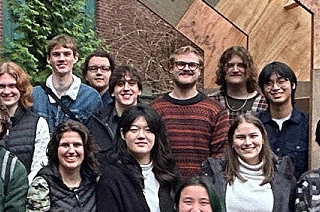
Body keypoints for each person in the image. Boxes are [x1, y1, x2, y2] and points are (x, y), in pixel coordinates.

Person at [26, 119, 102, 212]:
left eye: (77, 145)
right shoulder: (42, 184)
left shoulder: (95, 180)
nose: (71, 151)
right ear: (56, 149)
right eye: (65, 145)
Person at [152, 44, 228, 177]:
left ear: (199, 71)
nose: (186, 69)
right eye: (180, 64)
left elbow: (220, 156)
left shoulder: (216, 110)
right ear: (171, 68)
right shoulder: (154, 109)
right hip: (162, 187)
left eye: (192, 65)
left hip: (202, 189)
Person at [0, 61, 50, 179]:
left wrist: (21, 191)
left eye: (12, 86)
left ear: (22, 89)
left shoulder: (38, 123)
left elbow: (39, 166)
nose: (7, 91)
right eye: (1, 86)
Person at [31, 34, 103, 127]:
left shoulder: (90, 97)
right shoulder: (34, 95)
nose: (62, 59)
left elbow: (95, 136)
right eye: (56, 54)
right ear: (48, 59)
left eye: (67, 54)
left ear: (75, 58)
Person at [256, 60, 309, 175]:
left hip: (299, 191)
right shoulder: (255, 125)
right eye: (269, 83)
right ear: (263, 89)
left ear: (293, 85)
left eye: (281, 81)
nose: (275, 87)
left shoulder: (308, 124)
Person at [87, 63, 142, 158]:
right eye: (120, 84)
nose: (126, 88)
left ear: (139, 90)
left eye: (131, 84)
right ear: (112, 92)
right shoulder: (97, 121)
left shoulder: (151, 119)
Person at [211, 45, 260, 120]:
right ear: (223, 70)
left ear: (249, 69)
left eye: (241, 65)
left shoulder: (264, 102)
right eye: (230, 65)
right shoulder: (212, 101)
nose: (235, 70)